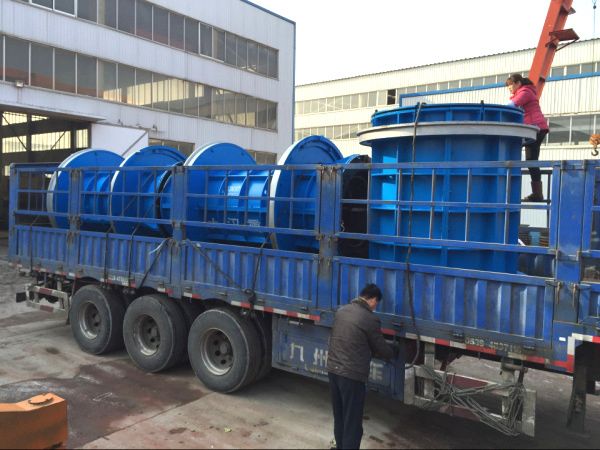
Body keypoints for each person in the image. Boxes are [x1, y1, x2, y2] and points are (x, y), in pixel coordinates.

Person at [327, 283, 395, 450]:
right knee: (353, 421)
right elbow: (381, 348)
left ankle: (340, 446)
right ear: (372, 299)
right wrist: (393, 351)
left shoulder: (342, 311)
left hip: (333, 370)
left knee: (340, 415)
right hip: (352, 375)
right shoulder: (370, 319)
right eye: (376, 303)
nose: (375, 307)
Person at [506, 73, 550, 202]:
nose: (509, 88)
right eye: (508, 86)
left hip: (536, 129)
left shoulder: (525, 92)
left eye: (510, 85)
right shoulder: (525, 92)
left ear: (518, 83)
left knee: (530, 159)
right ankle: (537, 193)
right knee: (531, 160)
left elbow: (511, 106)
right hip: (534, 129)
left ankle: (537, 194)